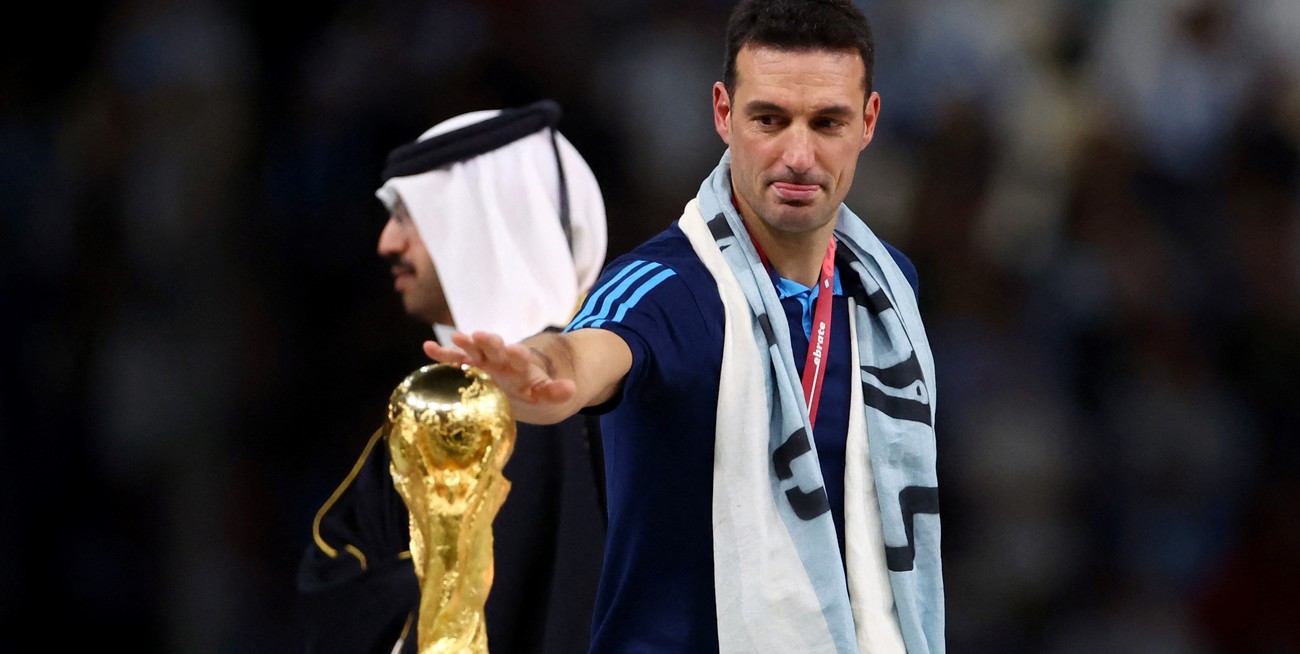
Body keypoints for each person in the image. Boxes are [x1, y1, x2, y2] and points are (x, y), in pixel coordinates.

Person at [423, 1, 945, 653]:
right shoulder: (668, 287)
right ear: (724, 113)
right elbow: (586, 353)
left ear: (868, 122)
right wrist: (543, 372)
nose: (798, 155)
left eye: (827, 122)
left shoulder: (885, 289)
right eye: (769, 120)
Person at [297, 99, 609, 654]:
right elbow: (334, 586)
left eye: (407, 216)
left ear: (485, 218)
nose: (387, 243)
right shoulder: (431, 406)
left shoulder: (625, 392)